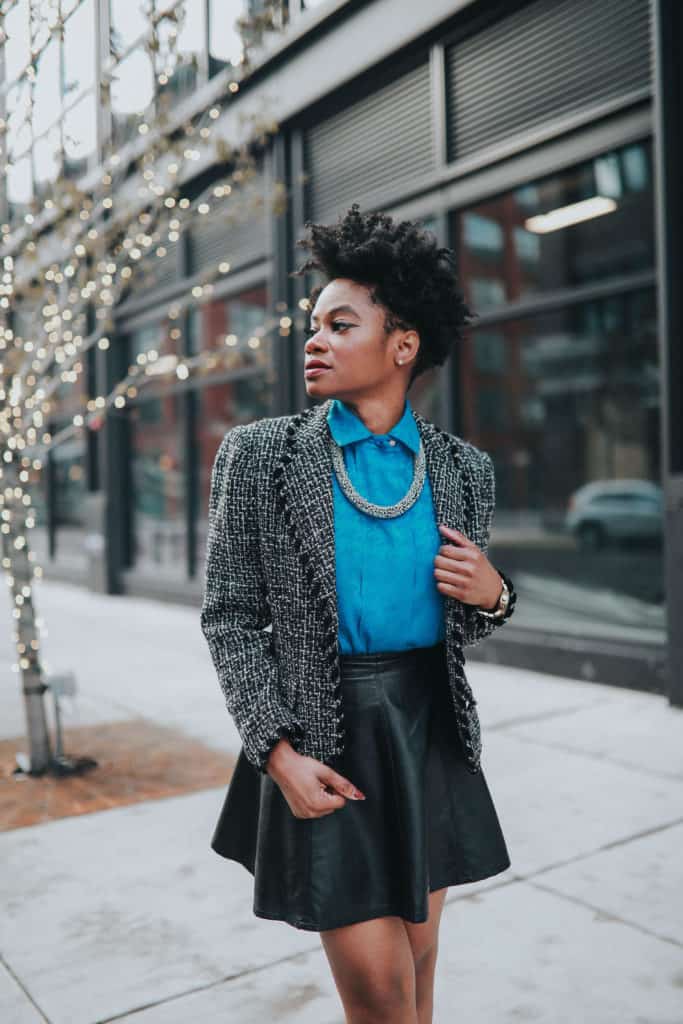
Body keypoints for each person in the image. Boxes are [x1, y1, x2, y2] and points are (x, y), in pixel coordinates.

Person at [200, 203, 517, 1024]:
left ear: (402, 343)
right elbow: (229, 617)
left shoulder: (463, 470)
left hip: (427, 739)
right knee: (380, 998)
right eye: (313, 324)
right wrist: (275, 752)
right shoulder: (261, 455)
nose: (314, 339)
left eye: (341, 324)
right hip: (325, 741)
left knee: (417, 973)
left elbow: (463, 620)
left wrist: (495, 594)